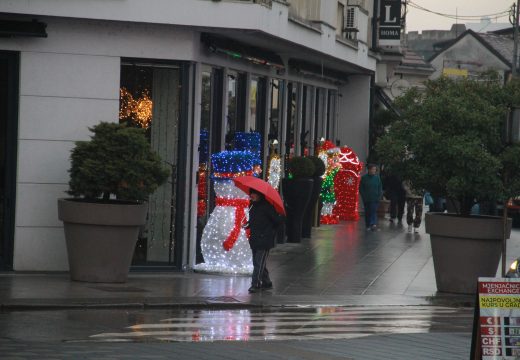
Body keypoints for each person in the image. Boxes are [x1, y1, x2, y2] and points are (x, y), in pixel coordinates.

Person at [244, 189, 284, 293]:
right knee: (259, 262)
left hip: (264, 239)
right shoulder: (252, 206)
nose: (252, 195)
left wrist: (270, 231)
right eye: (251, 193)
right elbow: (254, 221)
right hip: (254, 238)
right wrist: (248, 224)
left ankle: (255, 284)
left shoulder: (267, 207)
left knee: (258, 263)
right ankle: (266, 282)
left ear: (259, 195)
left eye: (254, 194)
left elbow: (277, 221)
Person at [359, 164, 383, 231]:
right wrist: (364, 196)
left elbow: (380, 187)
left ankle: (373, 224)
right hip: (367, 198)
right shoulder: (364, 178)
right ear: (369, 170)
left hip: (375, 198)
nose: (373, 171)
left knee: (373, 211)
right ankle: (368, 225)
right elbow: (361, 188)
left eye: (374, 169)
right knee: (368, 212)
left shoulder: (377, 178)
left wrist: (379, 195)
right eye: (372, 169)